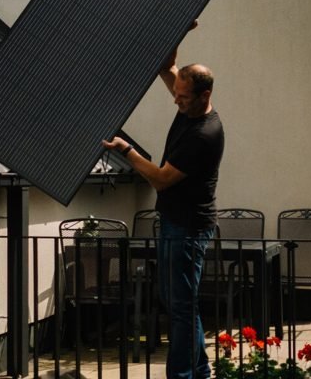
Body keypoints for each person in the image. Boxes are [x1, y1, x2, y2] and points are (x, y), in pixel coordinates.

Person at [103, 42, 224, 379]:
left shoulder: (203, 134)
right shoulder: (189, 106)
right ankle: (199, 370)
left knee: (182, 306)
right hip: (175, 223)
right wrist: (179, 30)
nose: (176, 99)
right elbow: (167, 70)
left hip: (188, 227)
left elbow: (160, 179)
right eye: (178, 94)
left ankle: (183, 375)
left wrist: (125, 150)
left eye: (183, 97)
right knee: (179, 303)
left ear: (204, 95)